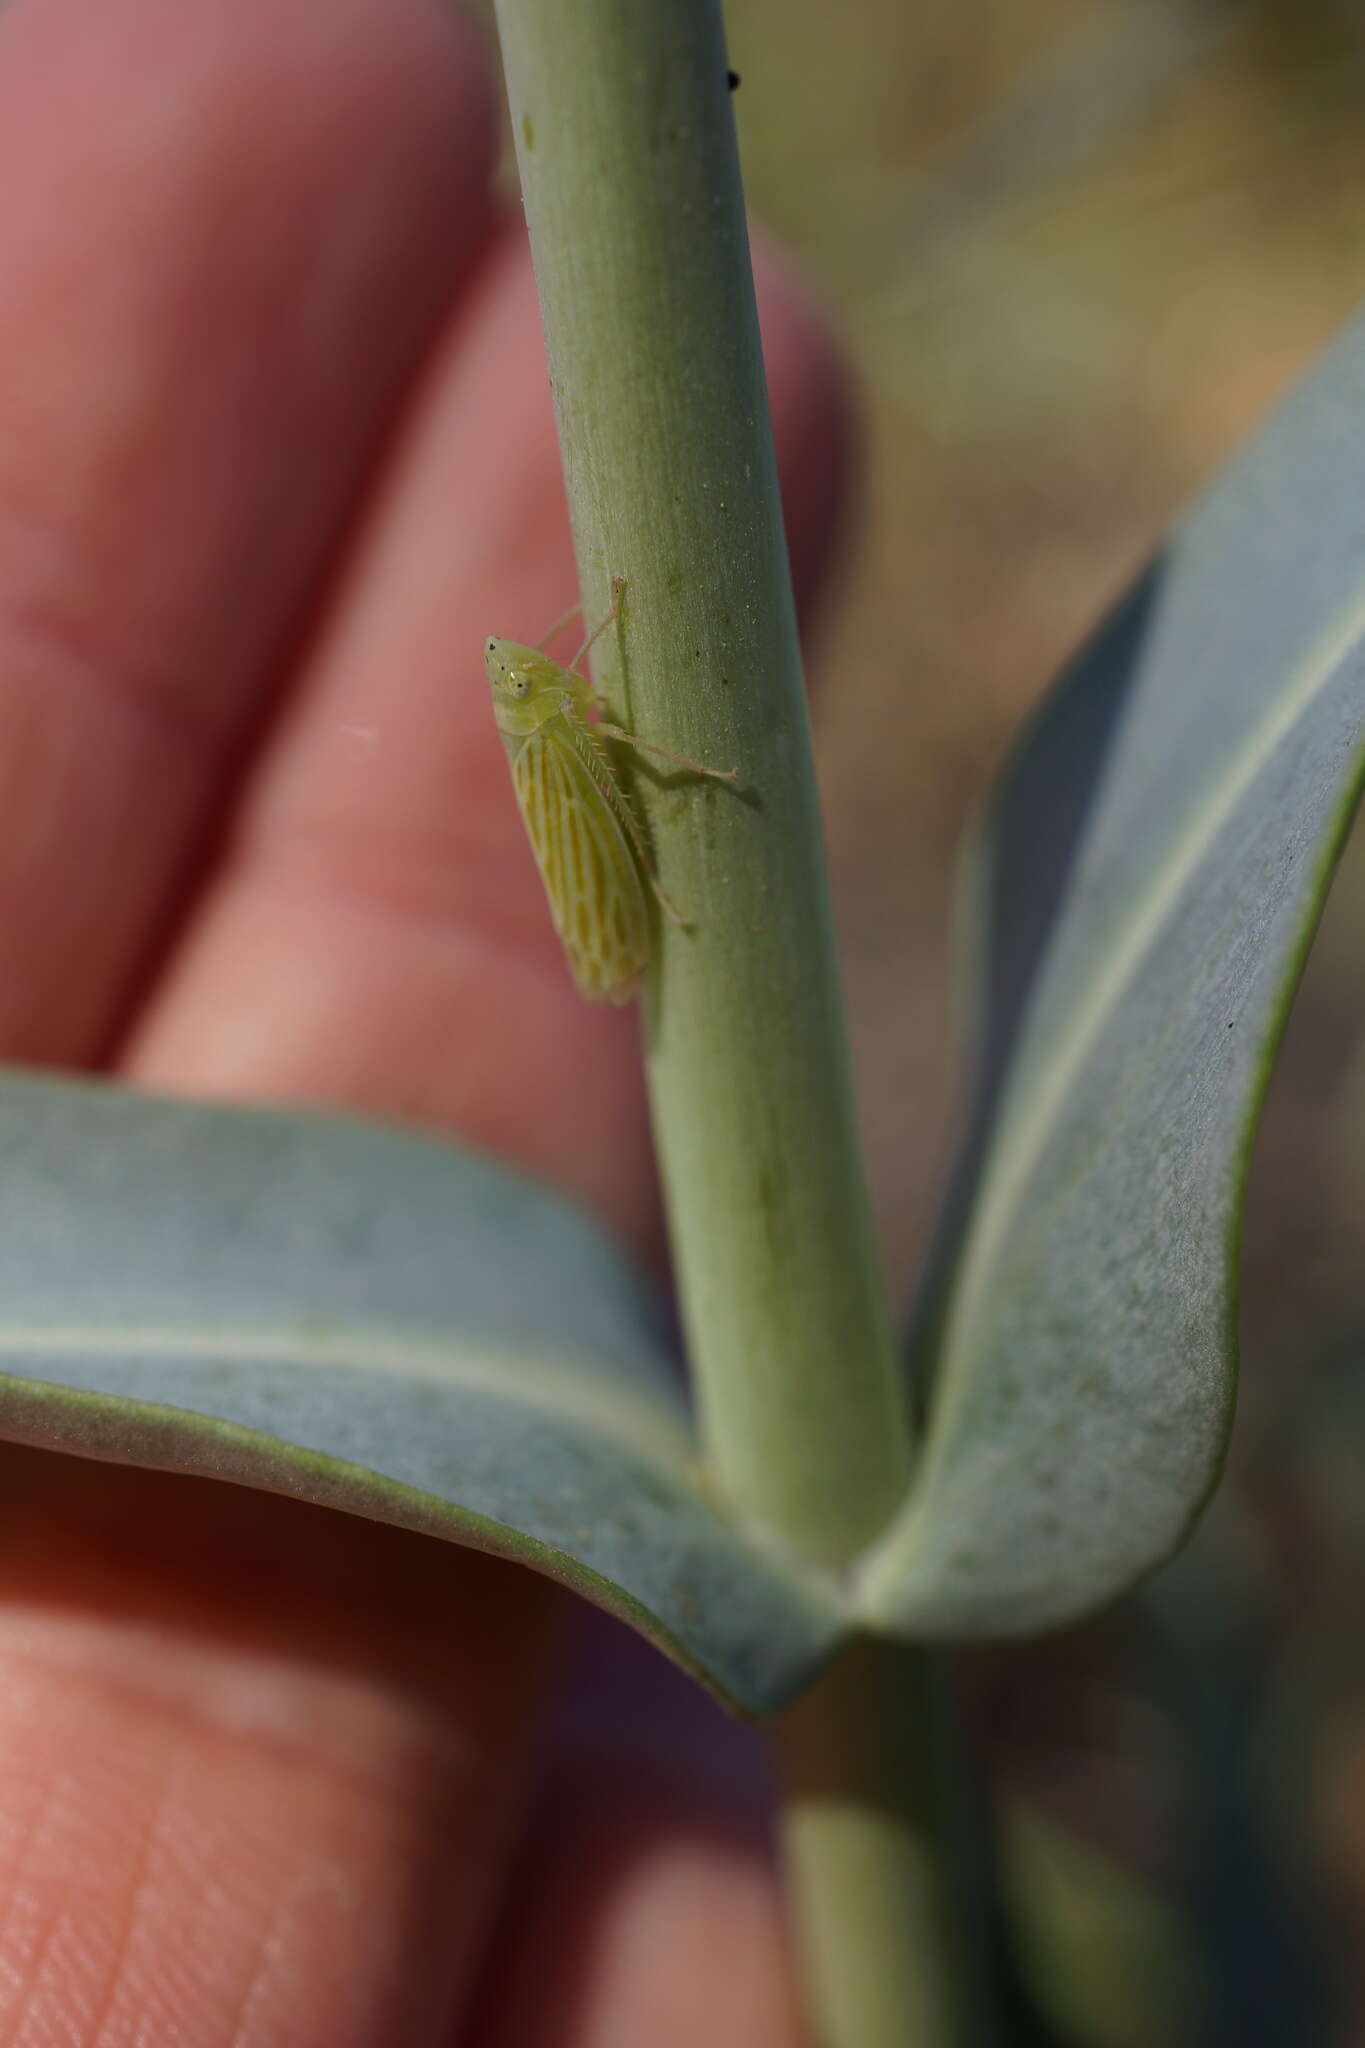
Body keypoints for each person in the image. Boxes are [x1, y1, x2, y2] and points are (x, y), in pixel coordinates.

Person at [0, 1, 851, 2037]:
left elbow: (579, 702)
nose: (525, 679)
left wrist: (608, 689)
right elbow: (602, 751)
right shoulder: (558, 722)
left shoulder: (550, 698)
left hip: (599, 831)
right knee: (631, 806)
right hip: (605, 844)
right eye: (526, 681)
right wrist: (628, 714)